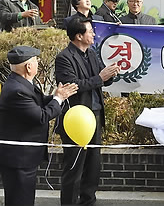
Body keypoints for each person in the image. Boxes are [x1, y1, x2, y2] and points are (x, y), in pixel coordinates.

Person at [0, 46, 78, 206]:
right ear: (28, 67)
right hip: (19, 159)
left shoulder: (21, 83)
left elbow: (38, 102)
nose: (38, 63)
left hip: (25, 157)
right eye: (36, 61)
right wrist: (58, 99)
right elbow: (40, 116)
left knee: (24, 197)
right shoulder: (17, 90)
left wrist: (56, 96)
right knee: (20, 200)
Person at [55, 17, 120, 205]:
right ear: (78, 36)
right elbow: (74, 85)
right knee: (74, 167)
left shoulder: (91, 53)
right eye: (90, 31)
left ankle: (88, 201)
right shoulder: (64, 58)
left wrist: (110, 75)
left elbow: (100, 78)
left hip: (95, 115)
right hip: (75, 119)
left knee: (93, 165)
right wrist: (100, 77)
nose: (93, 34)